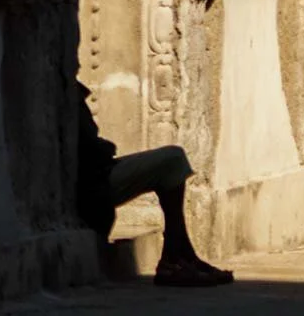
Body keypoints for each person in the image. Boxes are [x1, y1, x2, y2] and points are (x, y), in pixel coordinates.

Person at [76, 83, 234, 287]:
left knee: (172, 160)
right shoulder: (61, 92)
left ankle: (181, 253)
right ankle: (176, 256)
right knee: (172, 159)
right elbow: (87, 150)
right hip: (93, 186)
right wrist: (105, 148)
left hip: (97, 177)